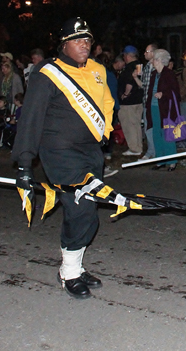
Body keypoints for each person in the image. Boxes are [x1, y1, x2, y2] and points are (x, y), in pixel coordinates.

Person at [12, 17, 114, 299]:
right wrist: (24, 162)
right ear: (64, 44)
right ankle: (68, 271)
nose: (84, 45)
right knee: (80, 208)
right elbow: (31, 119)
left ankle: (76, 267)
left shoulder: (97, 70)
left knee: (89, 210)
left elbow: (107, 102)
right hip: (59, 152)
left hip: (90, 151)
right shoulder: (48, 72)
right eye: (78, 40)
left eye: (88, 40)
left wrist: (105, 131)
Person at [146, 49, 181, 171]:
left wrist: (163, 94)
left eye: (155, 59)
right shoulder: (154, 74)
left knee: (168, 134)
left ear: (161, 60)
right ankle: (160, 160)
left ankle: (172, 161)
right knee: (156, 134)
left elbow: (175, 93)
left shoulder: (169, 74)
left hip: (166, 109)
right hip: (154, 107)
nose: (153, 61)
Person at [118, 46, 144, 156]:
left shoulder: (129, 68)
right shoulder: (139, 66)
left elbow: (130, 82)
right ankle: (138, 146)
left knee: (129, 125)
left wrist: (125, 94)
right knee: (136, 124)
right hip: (138, 100)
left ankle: (134, 149)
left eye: (124, 55)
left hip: (129, 102)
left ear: (128, 56)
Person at [138, 43, 159, 160]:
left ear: (153, 53)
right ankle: (152, 151)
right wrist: (136, 77)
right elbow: (144, 85)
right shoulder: (147, 66)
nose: (145, 54)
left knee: (151, 127)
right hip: (147, 101)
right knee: (148, 127)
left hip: (153, 102)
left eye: (147, 51)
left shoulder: (154, 66)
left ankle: (153, 151)